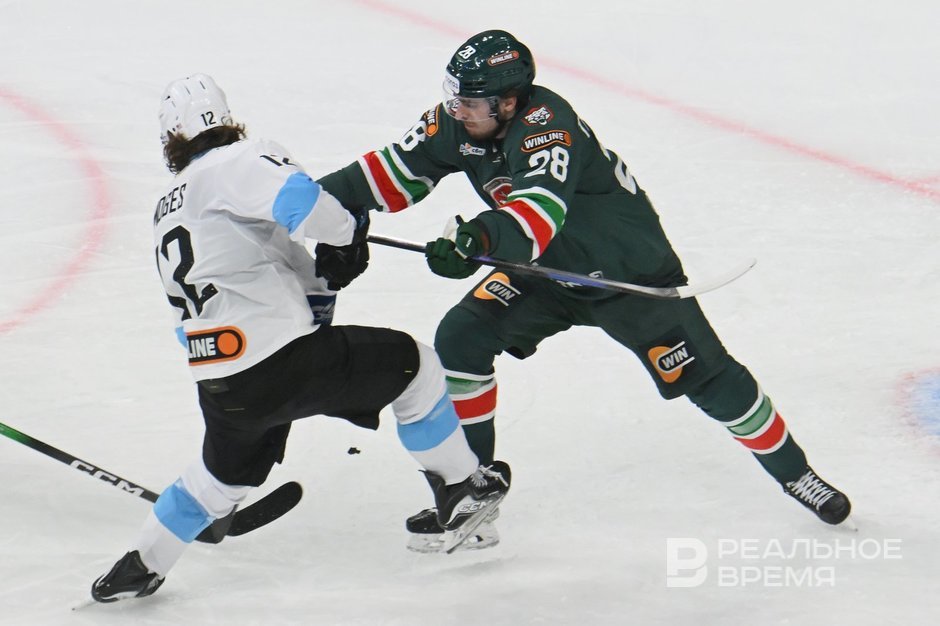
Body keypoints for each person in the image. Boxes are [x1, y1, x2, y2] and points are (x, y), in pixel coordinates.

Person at [317, 30, 851, 552]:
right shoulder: (458, 124)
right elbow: (388, 173)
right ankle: (471, 493)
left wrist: (475, 239)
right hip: (544, 274)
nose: (457, 111)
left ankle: (797, 475)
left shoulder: (547, 127)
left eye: (470, 102)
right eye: (453, 97)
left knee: (711, 381)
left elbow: (537, 214)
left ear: (509, 102)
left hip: (629, 277)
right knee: (463, 337)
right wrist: (307, 205)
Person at [90, 74, 511, 602]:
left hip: (222, 381)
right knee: (418, 368)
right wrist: (347, 233)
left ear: (170, 140)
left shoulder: (168, 208)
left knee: (219, 481)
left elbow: (290, 282)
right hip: (279, 358)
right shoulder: (237, 161)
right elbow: (304, 203)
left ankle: (138, 567)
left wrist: (330, 275)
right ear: (227, 121)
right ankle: (463, 488)